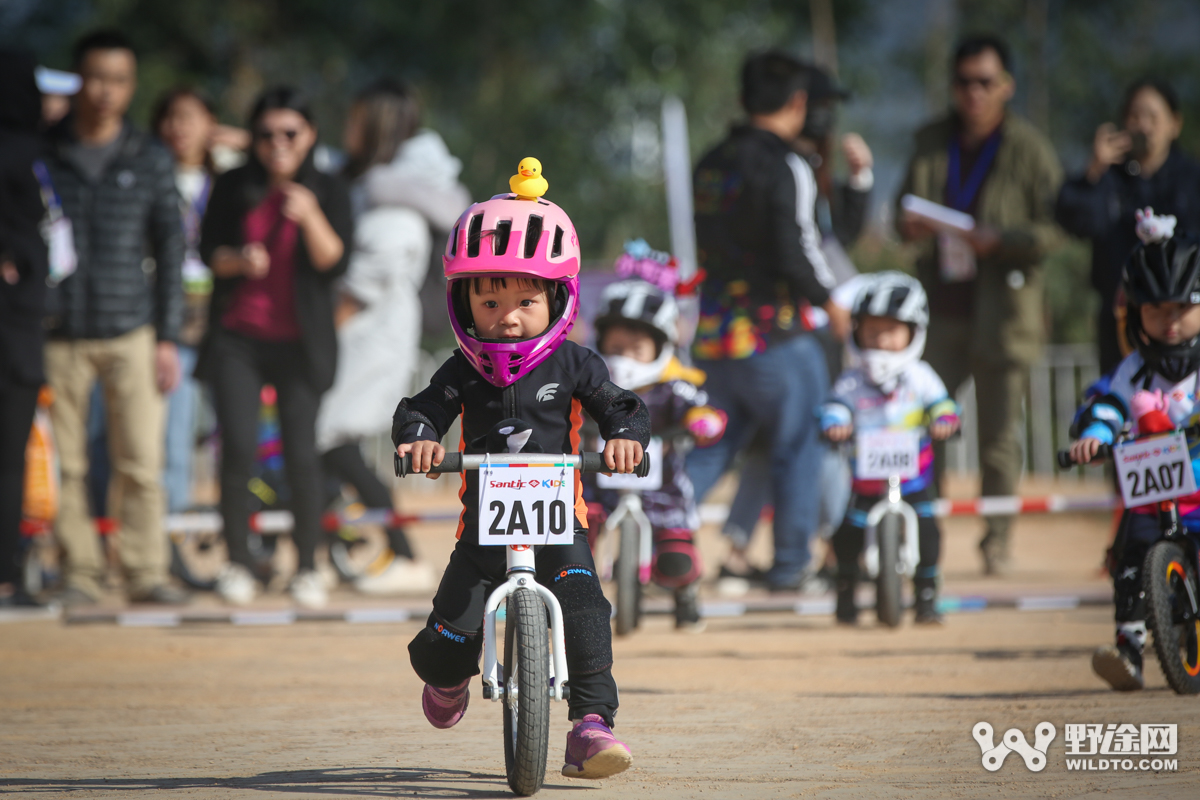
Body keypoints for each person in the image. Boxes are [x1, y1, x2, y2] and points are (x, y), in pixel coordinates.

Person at [393, 184, 648, 779]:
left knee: (586, 608)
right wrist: (419, 437)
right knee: (441, 649)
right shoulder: (461, 370)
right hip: (483, 532)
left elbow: (622, 406)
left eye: (526, 301)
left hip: (560, 524)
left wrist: (625, 436)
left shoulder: (577, 364)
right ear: (462, 304)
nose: (506, 317)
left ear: (558, 299)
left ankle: (590, 726)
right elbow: (421, 408)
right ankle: (452, 676)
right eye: (488, 304)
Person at [895, 34, 1063, 575]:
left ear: (1007, 87)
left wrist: (1003, 238)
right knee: (926, 425)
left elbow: (1058, 225)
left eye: (985, 82)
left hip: (1003, 311)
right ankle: (924, 542)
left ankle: (997, 544)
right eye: (964, 82)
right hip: (937, 310)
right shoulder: (929, 140)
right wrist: (909, 223)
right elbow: (902, 209)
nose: (973, 92)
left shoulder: (1030, 148)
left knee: (997, 438)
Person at [688, 51, 848, 593]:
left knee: (712, 444)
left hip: (711, 334)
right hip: (772, 336)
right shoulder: (789, 166)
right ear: (798, 102)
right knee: (800, 443)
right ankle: (789, 567)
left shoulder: (709, 160)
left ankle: (658, 548)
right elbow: (794, 247)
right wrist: (831, 302)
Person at [42, 30, 188, 607]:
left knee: (141, 462)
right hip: (58, 334)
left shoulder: (149, 156)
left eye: (119, 80)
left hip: (133, 330)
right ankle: (78, 572)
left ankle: (144, 571)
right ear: (78, 80)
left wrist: (168, 337)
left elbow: (172, 250)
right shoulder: (41, 152)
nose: (106, 91)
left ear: (130, 87)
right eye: (96, 77)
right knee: (68, 468)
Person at [198, 86, 353, 608]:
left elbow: (336, 262)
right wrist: (237, 259)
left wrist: (308, 213)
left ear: (309, 136)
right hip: (238, 339)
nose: (277, 144)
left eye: (290, 133)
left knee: (301, 454)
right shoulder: (232, 185)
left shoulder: (328, 189)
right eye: (265, 134)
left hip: (300, 345)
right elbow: (207, 253)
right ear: (253, 139)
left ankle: (308, 565)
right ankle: (238, 563)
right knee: (238, 450)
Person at [316, 79, 468, 595]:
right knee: (332, 441)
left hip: (369, 333)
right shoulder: (373, 188)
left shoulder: (391, 204)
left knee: (330, 434)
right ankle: (326, 549)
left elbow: (364, 284)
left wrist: (321, 330)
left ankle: (400, 553)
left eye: (356, 119)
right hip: (367, 331)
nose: (347, 129)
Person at [1066, 215, 1199, 691]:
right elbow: (1108, 404)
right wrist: (1095, 434)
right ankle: (1129, 649)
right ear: (1136, 312)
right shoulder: (1135, 368)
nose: (1170, 321)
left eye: (1183, 307)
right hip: (1154, 487)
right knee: (1129, 551)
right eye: (1156, 309)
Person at [820, 273, 961, 624]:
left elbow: (942, 403)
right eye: (871, 331)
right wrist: (835, 421)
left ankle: (926, 596)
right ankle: (846, 592)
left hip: (913, 480)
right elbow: (837, 404)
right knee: (847, 535)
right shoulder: (852, 378)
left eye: (891, 331)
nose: (881, 340)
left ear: (914, 332)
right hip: (866, 483)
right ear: (856, 332)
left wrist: (944, 419)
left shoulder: (921, 375)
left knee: (929, 531)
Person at [590, 269, 727, 631]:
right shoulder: (591, 384)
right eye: (617, 348)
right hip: (595, 483)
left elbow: (700, 404)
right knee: (575, 530)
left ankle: (685, 594)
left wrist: (704, 421)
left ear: (661, 345)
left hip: (662, 486)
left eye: (637, 350)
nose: (626, 359)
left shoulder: (672, 384)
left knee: (676, 560)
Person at [1056, 77, 1200, 374]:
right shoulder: (1109, 178)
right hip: (1121, 316)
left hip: (1184, 318)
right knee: (1122, 400)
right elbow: (1073, 220)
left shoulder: (1191, 178)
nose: (1143, 125)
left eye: (1152, 116)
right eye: (1135, 116)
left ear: (1174, 123)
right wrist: (1093, 170)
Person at [153, 87, 219, 514]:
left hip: (220, 321)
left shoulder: (228, 178)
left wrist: (226, 138)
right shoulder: (149, 173)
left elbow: (289, 150)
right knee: (173, 432)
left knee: (232, 432)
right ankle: (174, 522)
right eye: (172, 117)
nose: (181, 128)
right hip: (170, 322)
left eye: (192, 117)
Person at [0, 51, 50, 606]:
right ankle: (6, 573)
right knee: (9, 460)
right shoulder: (32, 155)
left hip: (17, 326)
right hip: (17, 330)